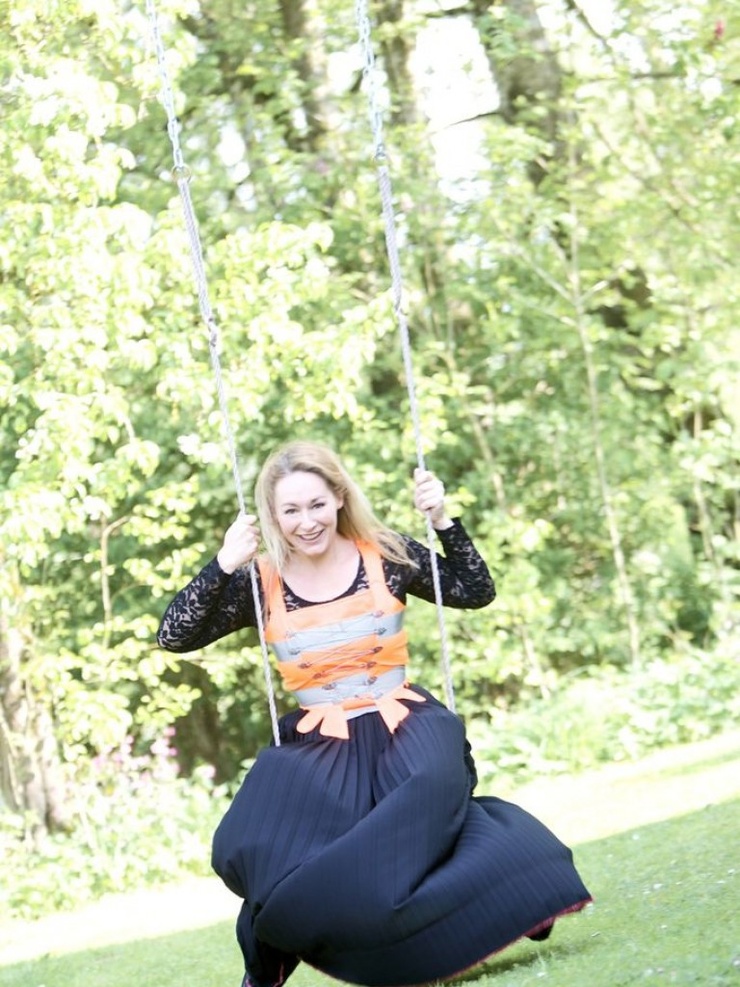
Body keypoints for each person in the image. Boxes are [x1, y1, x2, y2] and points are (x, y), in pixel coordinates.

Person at [157, 440, 591, 987]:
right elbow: (175, 635)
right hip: (322, 742)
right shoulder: (260, 580)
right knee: (247, 846)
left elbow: (474, 590)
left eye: (317, 504)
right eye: (290, 510)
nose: (307, 522)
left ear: (339, 497)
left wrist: (443, 519)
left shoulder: (385, 554)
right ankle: (271, 950)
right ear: (271, 516)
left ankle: (512, 886)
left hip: (404, 726)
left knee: (411, 814)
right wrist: (224, 562)